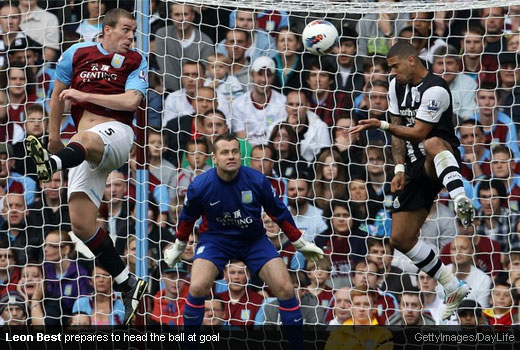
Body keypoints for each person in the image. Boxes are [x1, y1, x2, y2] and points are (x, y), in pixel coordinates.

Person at [23, 8, 148, 325]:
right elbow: (57, 95)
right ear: (106, 30)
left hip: (117, 136)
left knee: (88, 138)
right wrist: (52, 137)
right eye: (125, 29)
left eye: (133, 31)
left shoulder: (136, 61)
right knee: (80, 224)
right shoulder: (77, 53)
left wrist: (83, 93)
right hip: (80, 145)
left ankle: (51, 164)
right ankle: (126, 282)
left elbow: (131, 101)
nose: (131, 36)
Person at [349, 41, 474, 320]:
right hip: (413, 166)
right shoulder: (396, 86)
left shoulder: (437, 88)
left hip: (441, 160)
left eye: (394, 67)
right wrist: (398, 168)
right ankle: (452, 286)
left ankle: (460, 199)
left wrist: (379, 123)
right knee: (400, 238)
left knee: (432, 144)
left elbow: (417, 132)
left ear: (411, 60)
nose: (391, 73)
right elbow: (398, 131)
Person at [164, 133, 324, 349]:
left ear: (240, 155)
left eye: (234, 152)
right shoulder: (200, 186)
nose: (231, 156)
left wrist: (300, 243)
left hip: (253, 241)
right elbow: (186, 219)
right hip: (215, 240)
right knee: (198, 286)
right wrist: (179, 246)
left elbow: (279, 212)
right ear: (214, 158)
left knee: (286, 289)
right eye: (225, 152)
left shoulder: (257, 180)